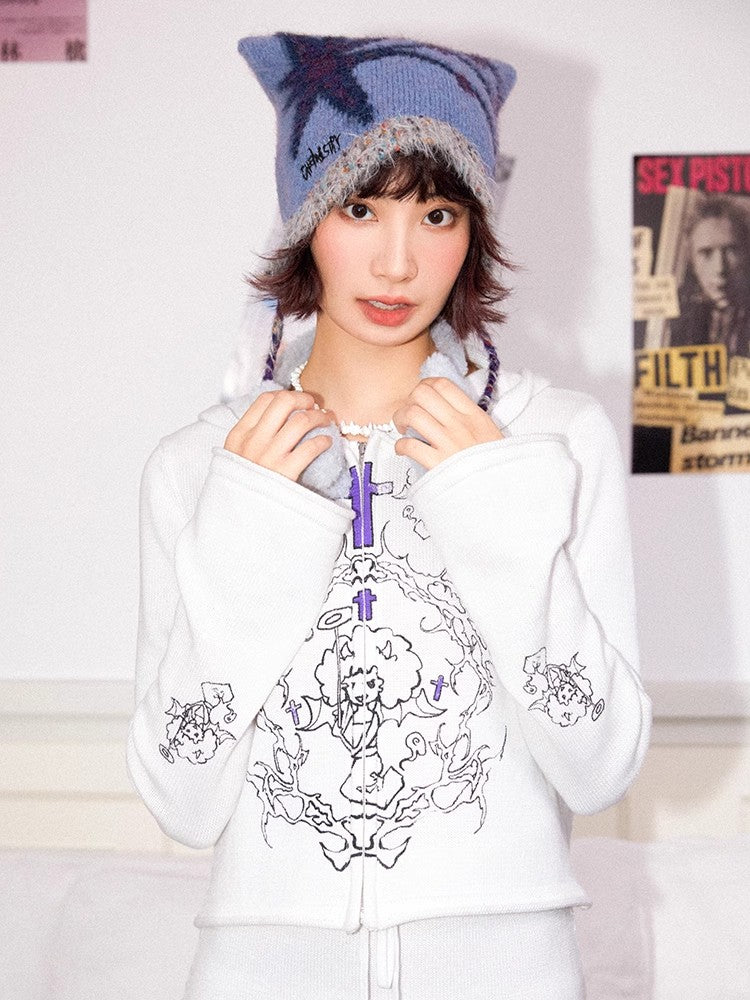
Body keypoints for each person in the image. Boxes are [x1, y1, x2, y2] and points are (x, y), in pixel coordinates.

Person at [126, 32, 652, 1000]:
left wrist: (490, 510)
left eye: (438, 214)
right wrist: (252, 528)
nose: (399, 260)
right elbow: (182, 798)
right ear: (305, 217)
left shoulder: (553, 440)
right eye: (359, 208)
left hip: (504, 966)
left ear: (474, 229)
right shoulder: (199, 466)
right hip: (262, 969)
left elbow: (601, 763)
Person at [668, 195, 750, 356]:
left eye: (731, 251)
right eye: (706, 253)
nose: (719, 268)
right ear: (692, 261)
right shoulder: (679, 313)